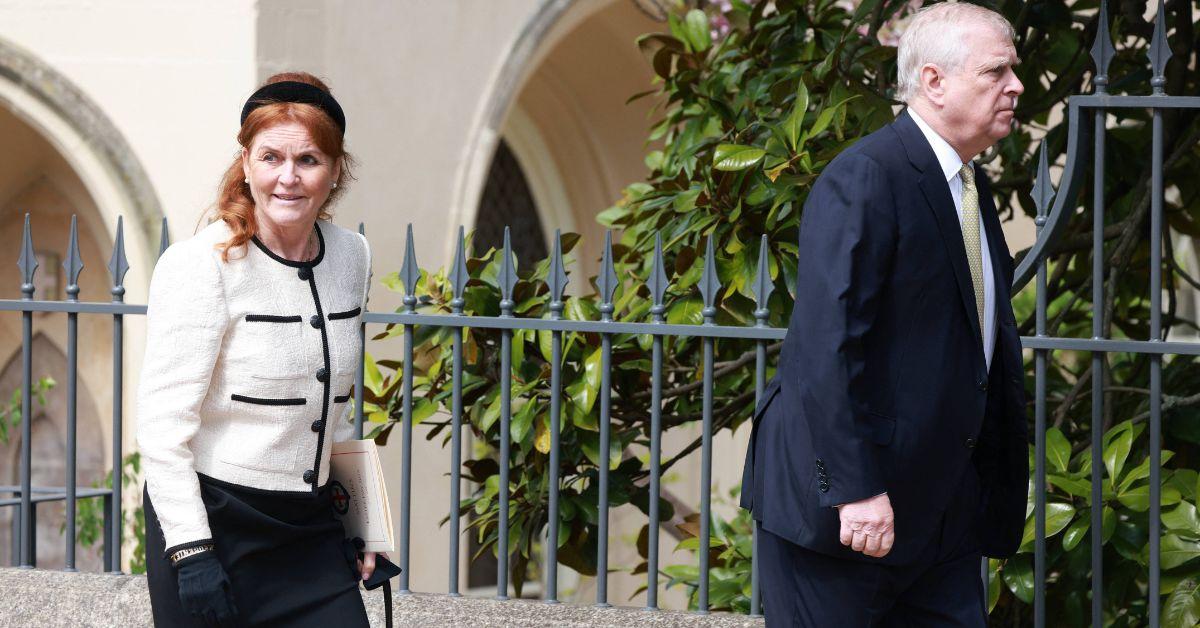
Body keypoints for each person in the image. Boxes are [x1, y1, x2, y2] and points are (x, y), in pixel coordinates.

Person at [740, 3, 1029, 625]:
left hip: (941, 516)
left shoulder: (969, 187)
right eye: (996, 71)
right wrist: (857, 491)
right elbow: (825, 345)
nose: (1016, 86)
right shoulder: (867, 176)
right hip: (847, 520)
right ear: (933, 81)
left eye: (1013, 70)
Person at [137, 72, 382, 627]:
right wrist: (191, 552)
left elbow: (336, 412)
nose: (288, 178)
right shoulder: (200, 264)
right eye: (271, 158)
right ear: (246, 162)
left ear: (336, 169)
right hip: (214, 527)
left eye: (308, 160)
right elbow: (163, 427)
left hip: (310, 531)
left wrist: (365, 524)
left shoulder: (352, 256)